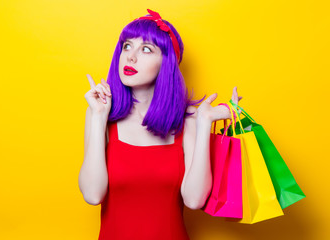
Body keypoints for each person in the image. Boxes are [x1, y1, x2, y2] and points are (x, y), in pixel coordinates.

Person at [78, 9, 242, 240]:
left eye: (146, 49)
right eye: (127, 46)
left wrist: (204, 124)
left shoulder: (189, 121)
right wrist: (98, 117)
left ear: (166, 63)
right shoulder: (101, 116)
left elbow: (194, 200)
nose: (131, 57)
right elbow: (93, 195)